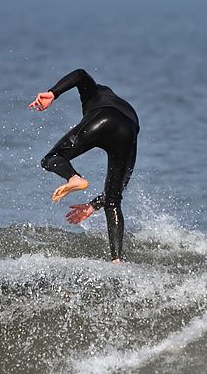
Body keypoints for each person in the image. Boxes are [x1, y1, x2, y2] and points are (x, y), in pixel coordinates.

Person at [29, 68, 139, 263]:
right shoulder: (123, 108)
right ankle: (117, 260)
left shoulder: (96, 94)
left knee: (51, 158)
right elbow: (118, 190)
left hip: (103, 117)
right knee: (113, 201)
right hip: (129, 132)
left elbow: (80, 74)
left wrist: (53, 93)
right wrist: (93, 206)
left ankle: (74, 178)